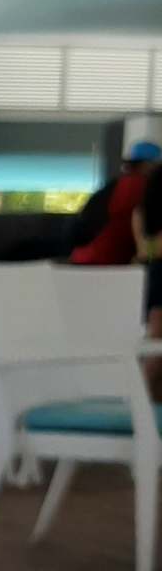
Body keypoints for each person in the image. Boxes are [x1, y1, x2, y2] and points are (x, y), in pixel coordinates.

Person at [70, 142, 160, 266]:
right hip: (105, 262)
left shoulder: (119, 185)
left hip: (85, 257)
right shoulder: (138, 187)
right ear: (148, 165)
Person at [133, 164, 162, 398]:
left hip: (154, 273)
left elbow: (144, 252)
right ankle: (144, 398)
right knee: (157, 342)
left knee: (156, 339)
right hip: (158, 275)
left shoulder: (140, 212)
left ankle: (146, 397)